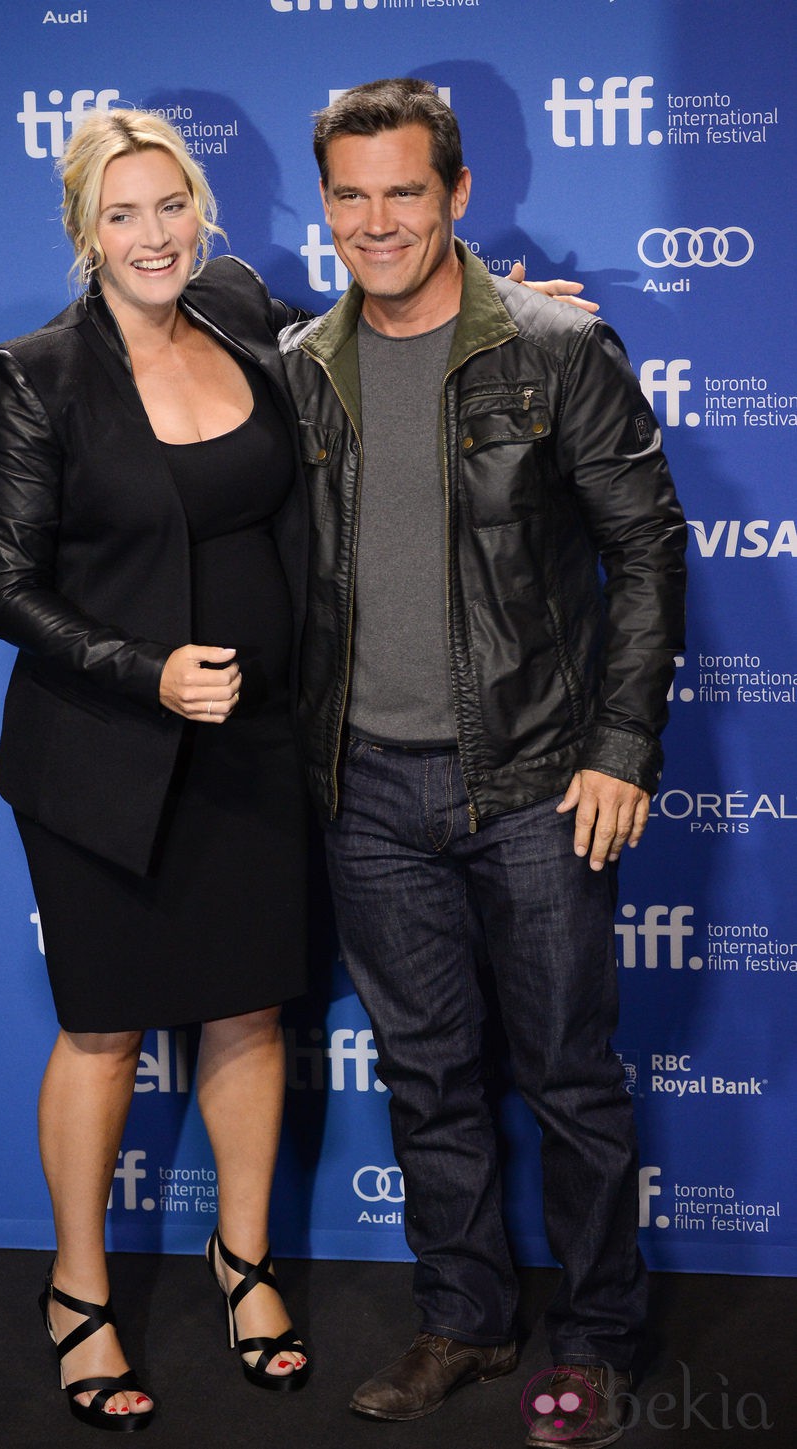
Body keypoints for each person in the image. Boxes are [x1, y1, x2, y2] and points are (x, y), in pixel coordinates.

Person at [278, 79, 687, 1449]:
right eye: (350, 193)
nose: (377, 220)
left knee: (570, 1077)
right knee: (428, 1075)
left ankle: (596, 1334)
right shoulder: (297, 365)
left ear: (458, 194)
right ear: (323, 202)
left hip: (534, 782)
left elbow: (649, 551)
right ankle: (464, 1314)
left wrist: (623, 745)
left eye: (405, 190)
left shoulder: (558, 348)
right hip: (369, 795)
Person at [0, 108, 313, 1429]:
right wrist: (144, 669)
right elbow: (6, 589)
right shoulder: (34, 372)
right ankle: (79, 1291)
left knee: (247, 1009)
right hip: (102, 755)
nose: (154, 234)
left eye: (171, 205)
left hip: (258, 740)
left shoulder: (237, 303)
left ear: (204, 212)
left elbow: (371, 340)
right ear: (82, 231)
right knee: (104, 1025)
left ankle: (243, 1261)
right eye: (123, 214)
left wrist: (507, 311)